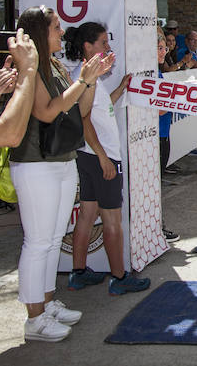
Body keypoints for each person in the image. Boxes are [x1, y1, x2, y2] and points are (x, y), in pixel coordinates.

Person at [9, 6, 113, 342]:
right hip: (35, 162)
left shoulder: (53, 65)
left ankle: (47, 303)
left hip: (62, 158)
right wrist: (83, 79)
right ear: (40, 32)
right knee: (38, 242)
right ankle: (34, 317)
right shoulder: (32, 67)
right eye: (56, 27)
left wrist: (91, 81)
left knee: (53, 240)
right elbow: (48, 111)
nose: (61, 32)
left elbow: (78, 109)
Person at [63, 22, 150, 296]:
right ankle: (119, 277)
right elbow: (83, 119)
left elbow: (98, 110)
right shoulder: (84, 78)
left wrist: (121, 88)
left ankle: (78, 272)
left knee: (87, 216)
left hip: (90, 157)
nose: (108, 48)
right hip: (102, 158)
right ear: (87, 47)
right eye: (103, 43)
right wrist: (104, 158)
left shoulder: (86, 78)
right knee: (112, 221)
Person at [156, 32, 180, 242]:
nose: (164, 51)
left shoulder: (156, 71)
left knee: (158, 182)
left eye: (165, 47)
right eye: (160, 48)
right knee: (155, 184)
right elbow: (158, 109)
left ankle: (157, 226)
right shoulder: (151, 73)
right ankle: (157, 228)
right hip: (155, 136)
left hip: (163, 134)